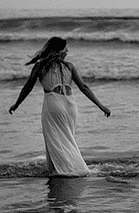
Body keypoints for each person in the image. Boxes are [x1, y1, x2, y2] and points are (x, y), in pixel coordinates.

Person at [9, 37, 111, 177]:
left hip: (53, 104)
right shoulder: (69, 66)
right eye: (65, 48)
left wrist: (17, 104)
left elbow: (28, 87)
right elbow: (83, 87)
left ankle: (60, 170)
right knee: (69, 138)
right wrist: (101, 106)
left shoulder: (40, 66)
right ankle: (69, 166)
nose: (67, 51)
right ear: (59, 50)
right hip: (70, 105)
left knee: (54, 139)